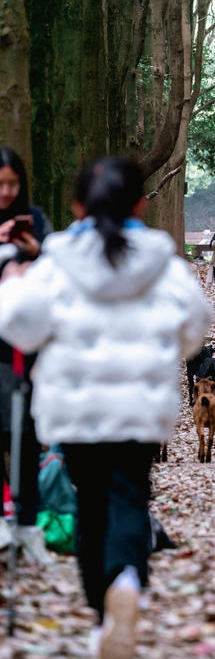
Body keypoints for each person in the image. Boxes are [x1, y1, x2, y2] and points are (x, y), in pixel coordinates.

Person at [0, 157, 211, 657]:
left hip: (74, 410)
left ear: (76, 206)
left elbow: (20, 327)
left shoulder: (56, 262)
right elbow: (195, 327)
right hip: (140, 411)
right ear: (141, 202)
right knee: (130, 496)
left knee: (92, 503)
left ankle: (102, 613)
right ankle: (128, 583)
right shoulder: (162, 262)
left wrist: (11, 282)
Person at [0, 146, 52, 564]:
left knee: (27, 439)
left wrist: (36, 253)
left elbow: (58, 278)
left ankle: (29, 525)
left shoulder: (37, 221)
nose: (6, 193)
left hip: (28, 353)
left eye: (12, 184)